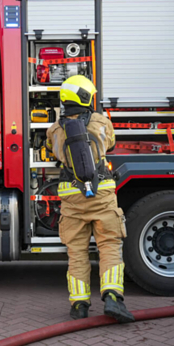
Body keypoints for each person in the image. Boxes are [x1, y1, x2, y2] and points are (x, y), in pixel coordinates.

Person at [47, 75, 135, 323]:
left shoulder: (55, 129)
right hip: (101, 194)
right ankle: (112, 298)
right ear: (85, 97)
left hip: (71, 196)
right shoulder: (100, 122)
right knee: (109, 246)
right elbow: (111, 144)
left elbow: (51, 149)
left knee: (76, 253)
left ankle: (79, 306)